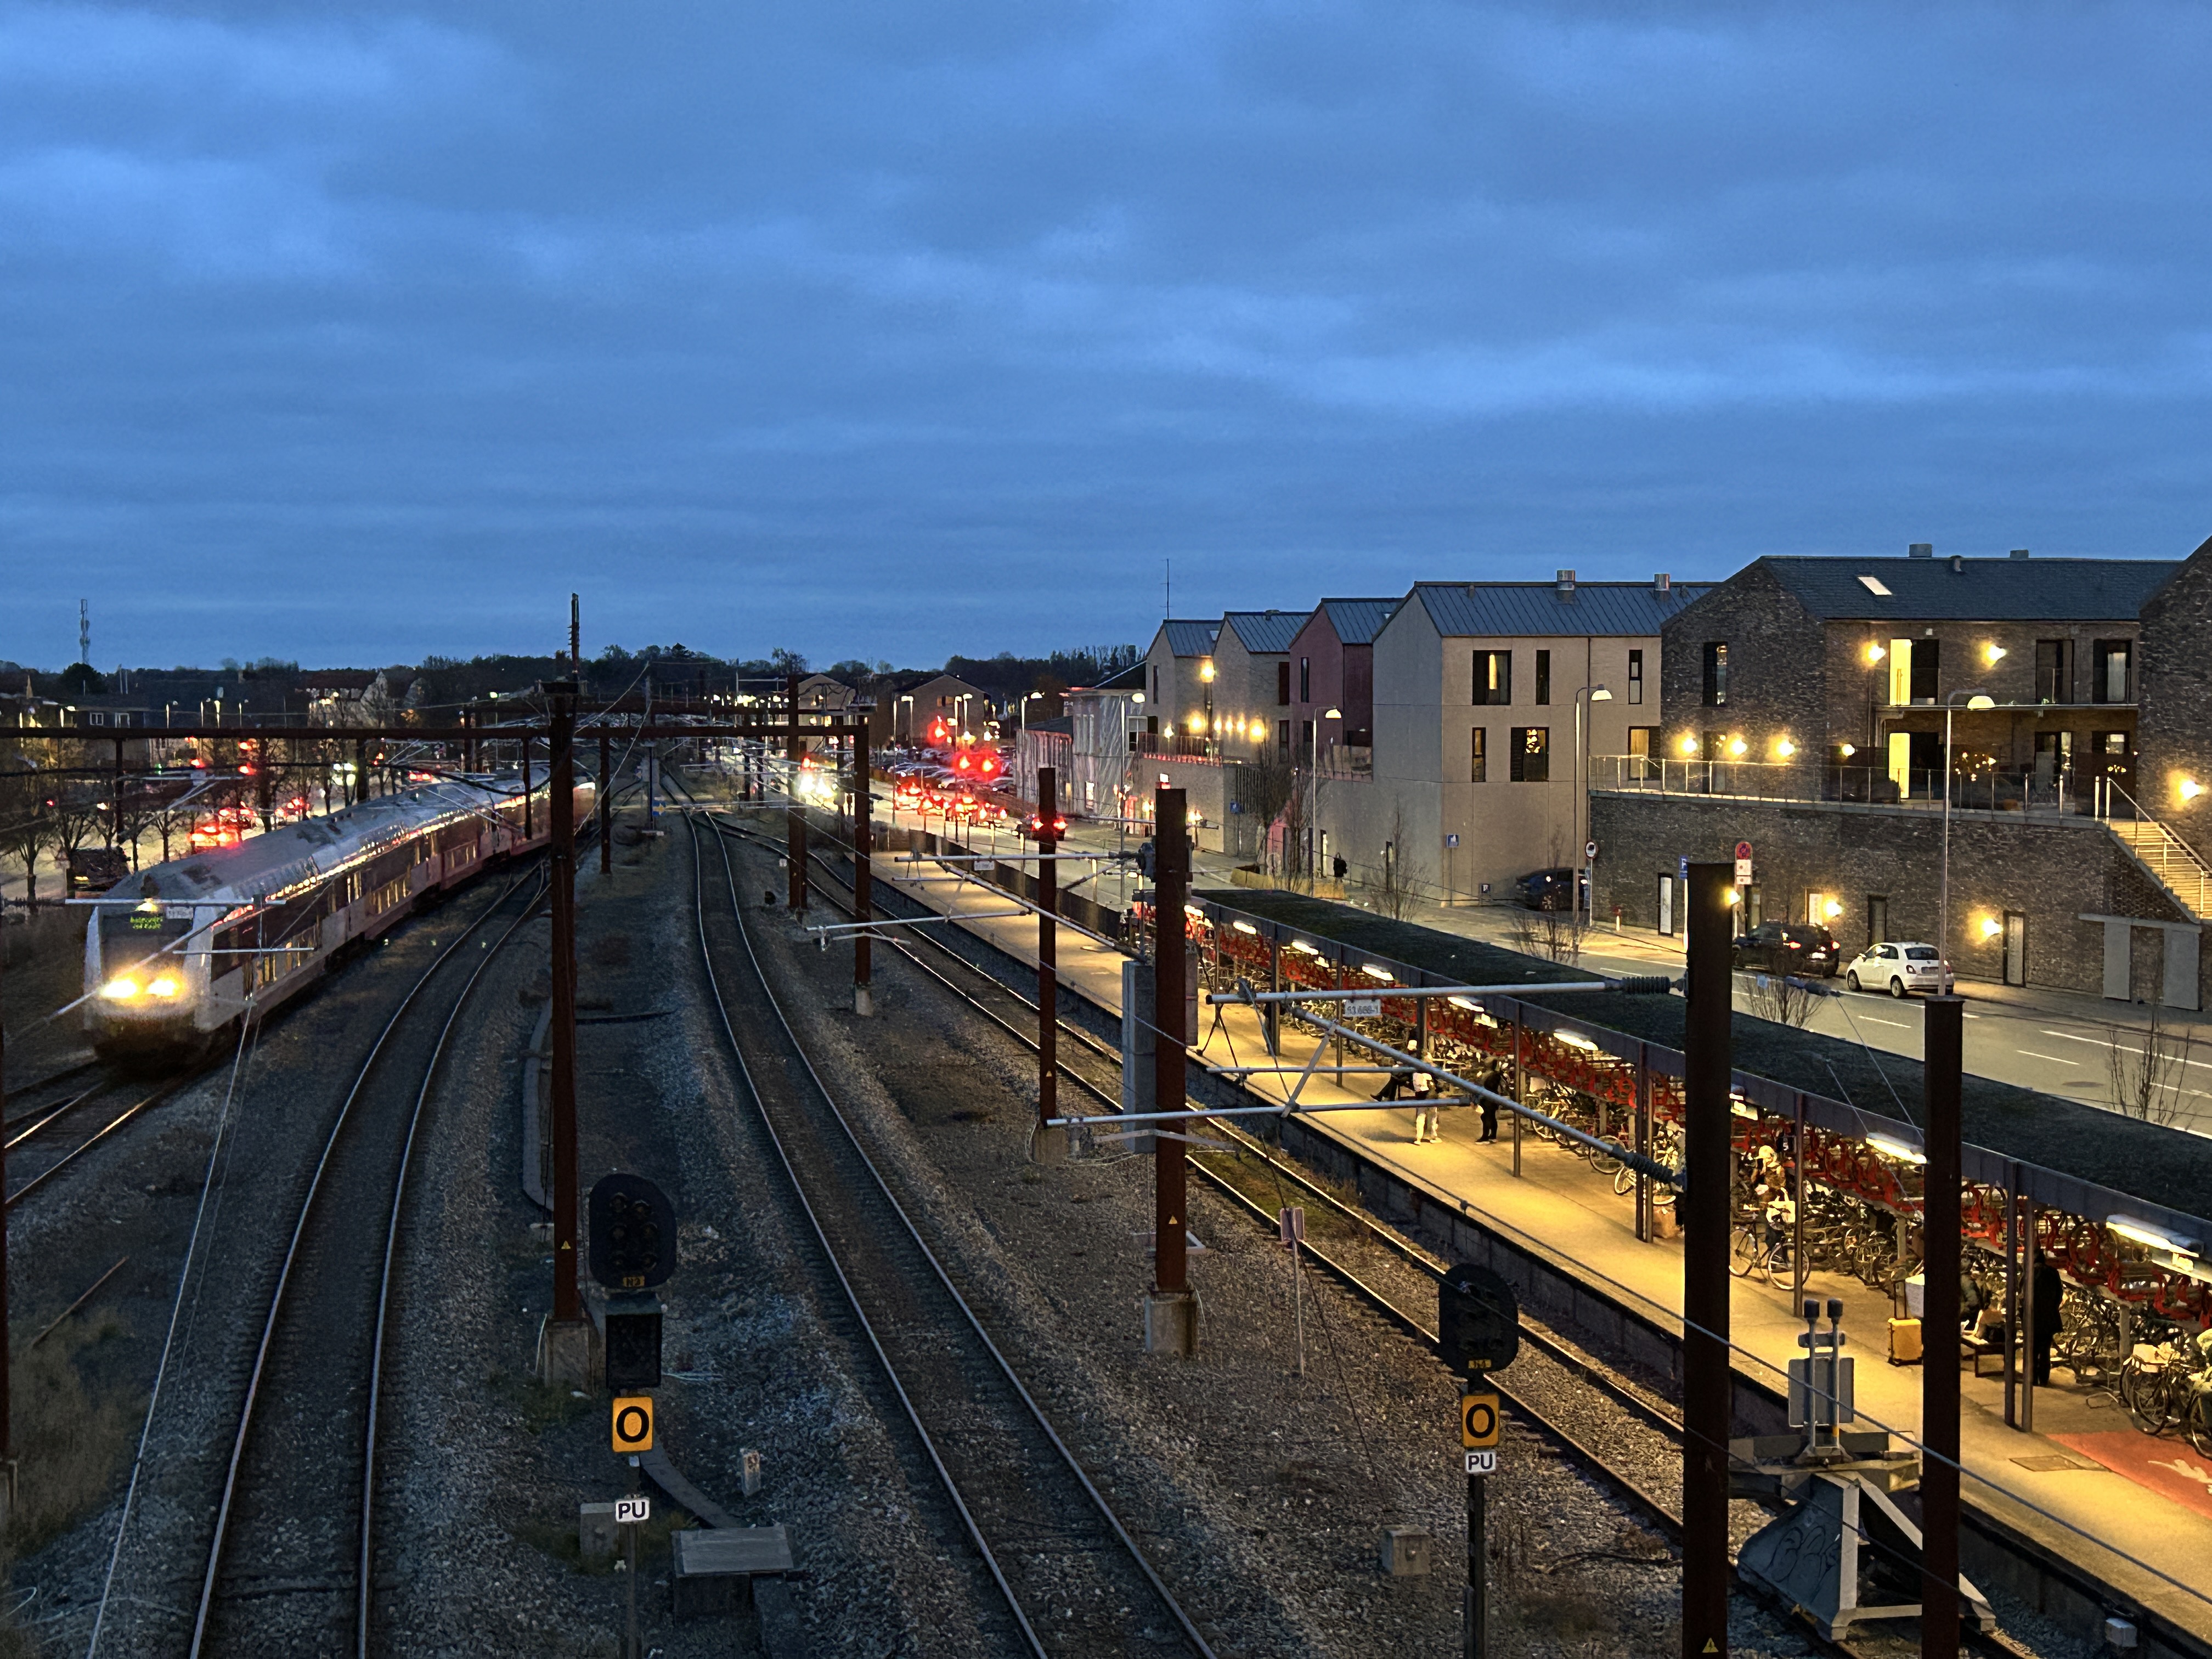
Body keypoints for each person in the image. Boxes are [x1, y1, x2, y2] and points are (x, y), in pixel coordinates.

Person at [2032, 1257, 2063, 1385]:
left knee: (2032, 1351)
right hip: (2049, 1318)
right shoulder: (2053, 1273)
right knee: (2045, 1350)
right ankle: (2044, 1378)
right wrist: (2052, 1308)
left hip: (2033, 1317)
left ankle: (2032, 1379)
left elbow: (2023, 1294)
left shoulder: (2030, 1272)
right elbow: (2059, 1295)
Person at [1410, 1071, 1441, 1144]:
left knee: (1420, 1118)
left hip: (1421, 1099)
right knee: (1433, 1119)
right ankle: (1433, 1137)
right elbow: (1439, 1086)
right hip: (1432, 1099)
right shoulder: (1429, 1076)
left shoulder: (1415, 1075)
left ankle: (1418, 1138)